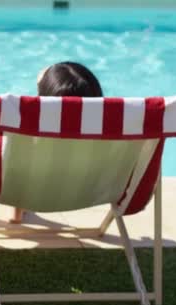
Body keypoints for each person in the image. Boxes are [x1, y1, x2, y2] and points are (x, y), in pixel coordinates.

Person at [9, 61, 103, 223]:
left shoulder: (25, 127)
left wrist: (42, 87)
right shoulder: (109, 129)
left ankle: (17, 214)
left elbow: (7, 162)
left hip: (28, 193)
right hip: (87, 195)